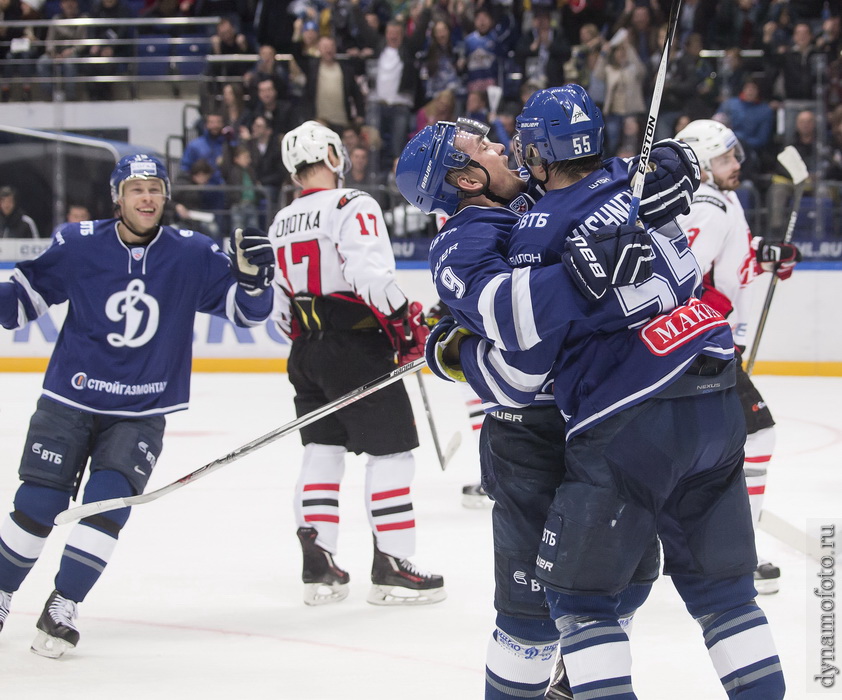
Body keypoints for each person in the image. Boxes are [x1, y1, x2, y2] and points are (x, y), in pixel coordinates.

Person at [397, 85, 785, 698]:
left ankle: (580, 681)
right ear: (464, 178)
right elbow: (518, 367)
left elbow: (650, 172)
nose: (504, 146)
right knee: (534, 614)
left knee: (617, 584)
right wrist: (462, 348)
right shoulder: (463, 239)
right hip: (540, 434)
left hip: (611, 418)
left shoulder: (556, 198)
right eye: (487, 146)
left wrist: (669, 167)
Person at [0, 154, 274, 657]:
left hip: (141, 409)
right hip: (69, 398)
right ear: (117, 197)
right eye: (136, 189)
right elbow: (19, 303)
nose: (147, 198)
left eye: (155, 188)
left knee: (108, 507)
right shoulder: (78, 244)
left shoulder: (192, 253)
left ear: (166, 196)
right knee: (38, 504)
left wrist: (256, 281)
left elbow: (246, 313)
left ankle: (63, 603)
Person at [267, 121, 445, 607]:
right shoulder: (352, 204)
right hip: (356, 348)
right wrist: (403, 323)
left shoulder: (280, 220)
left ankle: (319, 563)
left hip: (305, 352)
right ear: (330, 153)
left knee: (322, 450)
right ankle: (393, 564)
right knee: (392, 452)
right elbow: (368, 275)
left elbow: (280, 310)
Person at [675, 118, 802, 596]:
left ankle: (711, 545)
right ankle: (736, 554)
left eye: (735, 155)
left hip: (712, 345)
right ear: (704, 166)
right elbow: (681, 275)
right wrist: (711, 311)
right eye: (726, 159)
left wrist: (765, 254)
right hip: (705, 347)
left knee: (710, 451)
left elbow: (731, 256)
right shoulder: (707, 206)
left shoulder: (722, 200)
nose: (737, 165)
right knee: (757, 435)